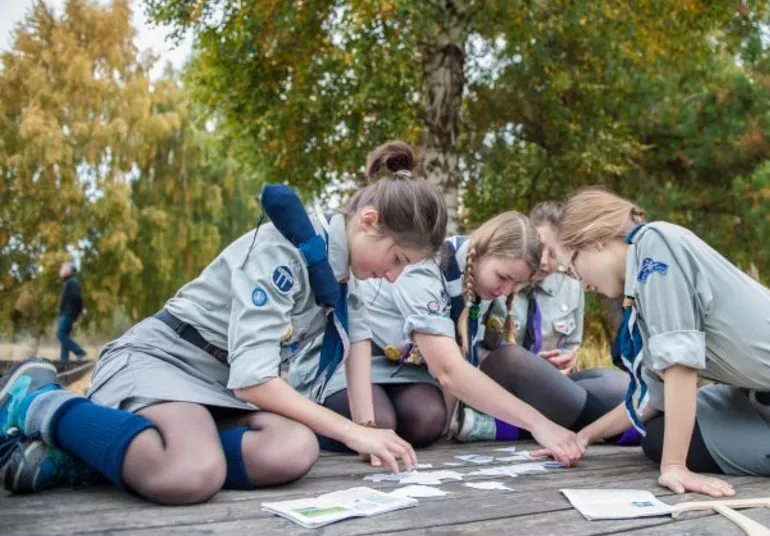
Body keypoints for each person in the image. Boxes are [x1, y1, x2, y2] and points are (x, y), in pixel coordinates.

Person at [0, 140, 447, 501]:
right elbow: (254, 381)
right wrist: (351, 432)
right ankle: (37, 401)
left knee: (293, 449)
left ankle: (97, 455)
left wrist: (368, 434)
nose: (394, 276)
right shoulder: (287, 248)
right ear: (368, 221)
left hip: (217, 387)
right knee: (192, 472)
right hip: (165, 358)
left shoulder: (350, 276)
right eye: (397, 259)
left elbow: (357, 343)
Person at [560, 187, 770, 498]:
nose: (583, 285)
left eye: (574, 267)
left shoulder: (654, 248)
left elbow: (680, 366)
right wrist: (583, 437)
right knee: (660, 427)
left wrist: (674, 466)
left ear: (594, 239)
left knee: (658, 440)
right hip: (766, 399)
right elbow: (653, 398)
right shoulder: (644, 276)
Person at [297, 212, 585, 465]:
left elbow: (465, 353)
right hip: (351, 363)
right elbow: (449, 371)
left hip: (402, 370)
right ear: (483, 251)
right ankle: (310, 419)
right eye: (502, 277)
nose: (506, 290)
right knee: (381, 422)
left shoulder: (482, 285)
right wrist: (537, 423)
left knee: (428, 420)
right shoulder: (426, 270)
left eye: (516, 284)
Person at [451, 201, 630, 443]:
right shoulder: (496, 277)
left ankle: (501, 429)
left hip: (544, 388)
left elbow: (570, 346)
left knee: (620, 385)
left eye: (554, 254)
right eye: (539, 249)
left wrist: (554, 366)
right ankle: (623, 432)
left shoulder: (571, 286)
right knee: (513, 358)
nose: (544, 261)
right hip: (493, 380)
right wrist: (529, 365)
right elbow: (469, 348)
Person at [56, 262, 87, 362]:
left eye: (63, 269)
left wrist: (81, 309)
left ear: (68, 270)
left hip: (68, 313)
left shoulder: (72, 282)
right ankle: (64, 361)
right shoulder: (69, 282)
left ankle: (79, 351)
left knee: (60, 333)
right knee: (65, 337)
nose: (60, 271)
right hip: (66, 313)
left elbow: (77, 297)